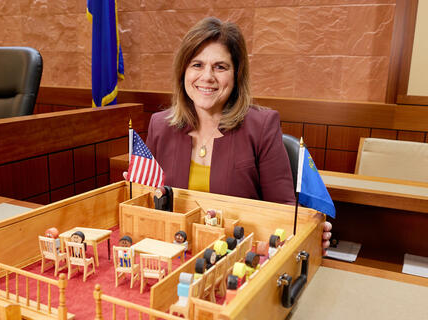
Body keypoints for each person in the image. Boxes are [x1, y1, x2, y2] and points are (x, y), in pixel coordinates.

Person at [132, 17, 331, 251]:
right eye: (197, 65)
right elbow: (150, 198)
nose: (207, 76)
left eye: (220, 67)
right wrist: (134, 188)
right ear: (183, 72)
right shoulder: (160, 125)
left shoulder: (262, 126)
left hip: (239, 254)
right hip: (174, 248)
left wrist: (306, 232)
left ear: (236, 75)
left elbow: (283, 210)